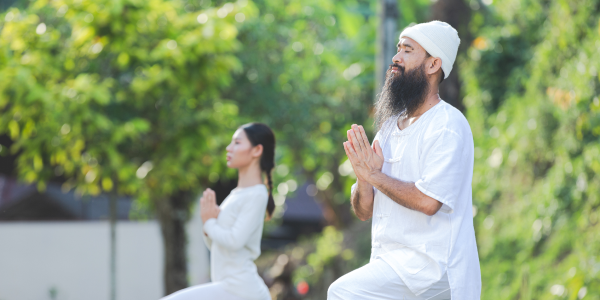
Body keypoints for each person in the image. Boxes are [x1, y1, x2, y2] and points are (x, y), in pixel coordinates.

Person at [328, 21, 481, 299]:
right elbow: (363, 212)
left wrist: (375, 175)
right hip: (393, 266)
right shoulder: (388, 128)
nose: (396, 58)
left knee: (343, 292)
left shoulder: (447, 125)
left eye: (407, 50)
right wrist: (364, 177)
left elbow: (428, 201)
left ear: (433, 64)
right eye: (398, 49)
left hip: (434, 271)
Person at [162, 123, 275, 300]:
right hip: (228, 287)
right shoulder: (236, 194)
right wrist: (208, 228)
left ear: (256, 150)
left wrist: (210, 222)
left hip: (240, 289)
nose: (229, 148)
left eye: (237, 143)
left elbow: (234, 240)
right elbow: (220, 246)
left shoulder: (257, 194)